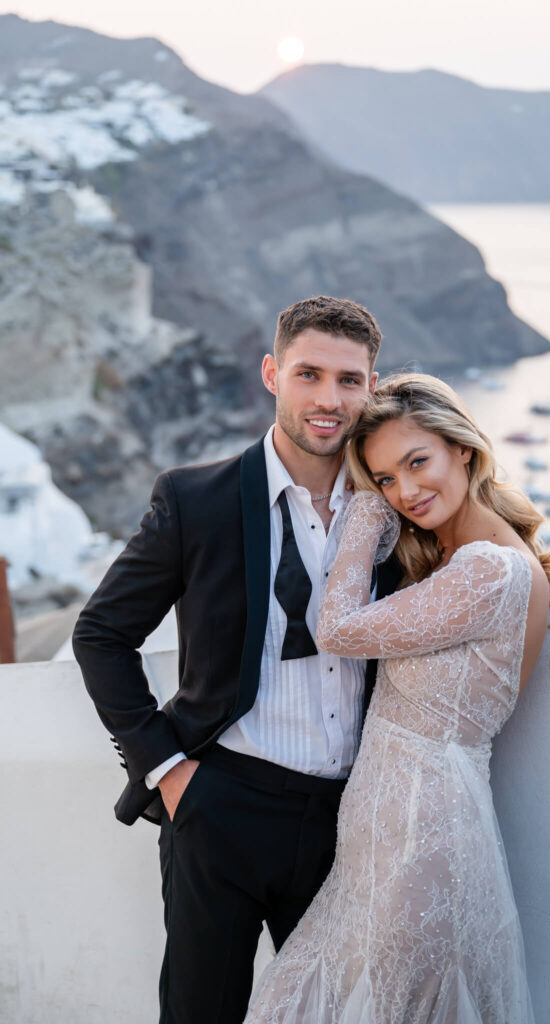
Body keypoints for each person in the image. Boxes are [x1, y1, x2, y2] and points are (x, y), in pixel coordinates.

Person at [72, 295, 395, 1024]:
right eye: (309, 373)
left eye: (349, 380)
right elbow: (100, 635)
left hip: (353, 816)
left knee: (343, 1014)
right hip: (221, 805)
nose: (328, 398)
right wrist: (167, 771)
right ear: (272, 373)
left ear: (372, 388)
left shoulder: (396, 506)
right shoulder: (196, 499)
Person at [245, 373, 550, 1024]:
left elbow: (335, 628)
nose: (406, 492)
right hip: (391, 835)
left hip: (422, 836)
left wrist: (363, 515)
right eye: (385, 479)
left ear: (465, 451)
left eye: (416, 462)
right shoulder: (461, 559)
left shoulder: (488, 568)